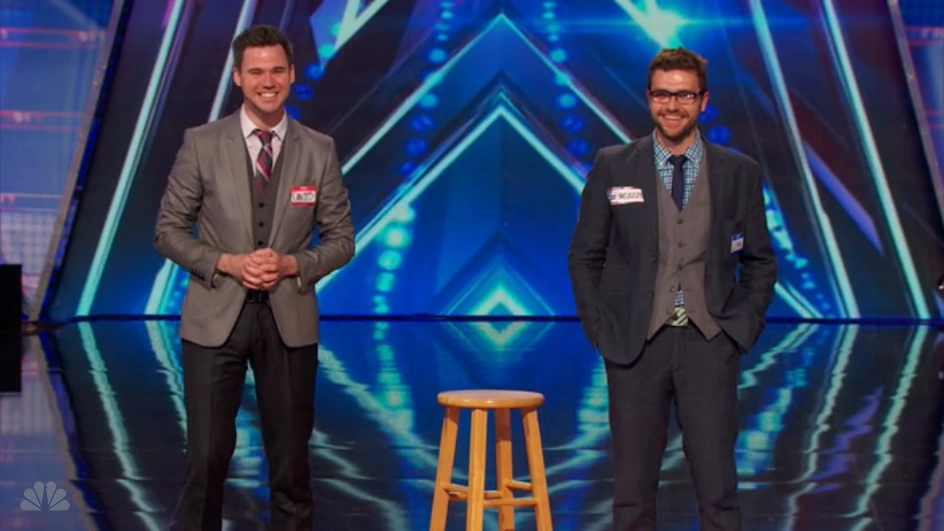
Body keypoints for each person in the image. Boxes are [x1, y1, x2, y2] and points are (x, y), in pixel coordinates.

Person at [567, 47, 777, 531]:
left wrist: (740, 327)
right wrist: (601, 329)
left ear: (703, 101)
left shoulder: (738, 172)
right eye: (663, 95)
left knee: (718, 489)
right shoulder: (614, 165)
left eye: (684, 95)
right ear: (649, 98)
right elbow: (584, 255)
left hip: (710, 342)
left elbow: (760, 260)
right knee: (632, 491)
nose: (672, 105)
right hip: (635, 346)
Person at [154, 24, 354, 530]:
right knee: (206, 458)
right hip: (215, 317)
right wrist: (228, 262)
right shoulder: (202, 143)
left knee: (291, 462)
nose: (268, 81)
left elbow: (341, 240)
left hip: (289, 320)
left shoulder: (318, 149)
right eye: (257, 71)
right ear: (238, 77)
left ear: (292, 75)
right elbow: (168, 231)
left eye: (277, 71)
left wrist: (292, 265)